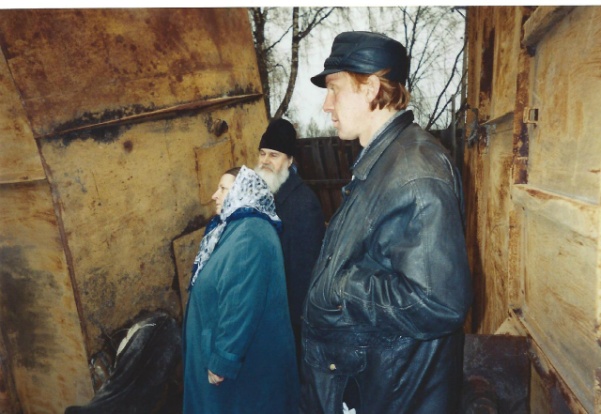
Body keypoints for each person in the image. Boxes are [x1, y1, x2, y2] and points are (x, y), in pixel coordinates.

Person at [301, 31, 473, 414]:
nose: (326, 105)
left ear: (371, 88)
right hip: (372, 379)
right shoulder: (385, 160)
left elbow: (438, 301)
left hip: (391, 393)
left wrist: (341, 287)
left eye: (334, 89)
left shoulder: (414, 171)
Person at [182, 166, 299, 414]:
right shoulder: (234, 227)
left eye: (223, 189)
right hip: (230, 351)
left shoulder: (250, 234)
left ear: (243, 192)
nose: (215, 195)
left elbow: (240, 303)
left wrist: (223, 360)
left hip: (241, 364)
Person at [254, 118, 326, 367]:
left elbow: (304, 275)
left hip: (289, 319)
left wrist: (292, 327)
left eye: (274, 155)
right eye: (262, 153)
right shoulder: (263, 194)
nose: (265, 161)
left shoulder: (303, 203)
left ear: (290, 160)